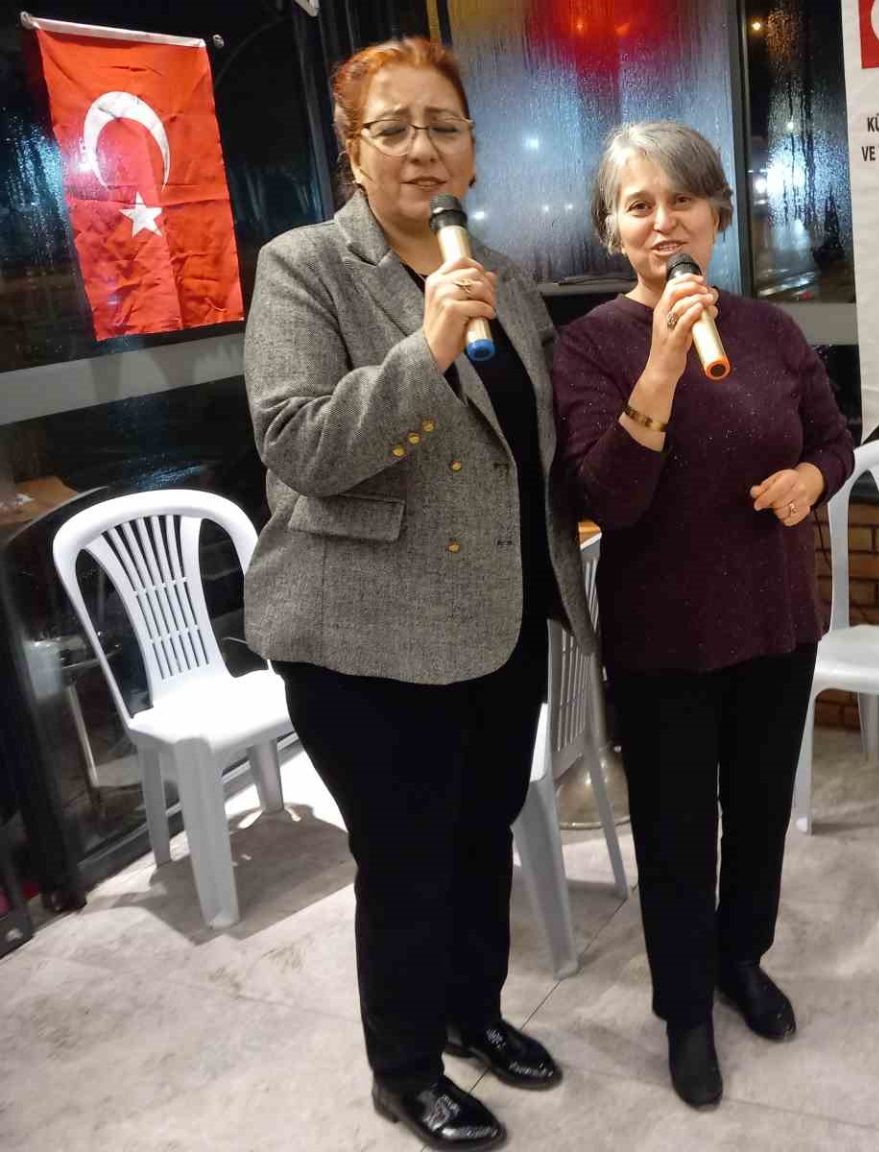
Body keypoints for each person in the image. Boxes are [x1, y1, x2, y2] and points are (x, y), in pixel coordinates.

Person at [243, 37, 592, 1151]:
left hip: (498, 617)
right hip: (363, 634)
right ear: (353, 152)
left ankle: (471, 1013)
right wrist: (429, 343)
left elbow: (534, 445)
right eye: (391, 128)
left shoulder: (506, 277)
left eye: (442, 125)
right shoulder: (305, 266)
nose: (420, 149)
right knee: (405, 860)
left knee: (482, 834)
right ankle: (403, 1072)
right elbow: (299, 444)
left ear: (473, 151)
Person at [553, 121, 854, 1110]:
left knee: (760, 813)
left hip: (775, 619)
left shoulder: (771, 331)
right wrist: (663, 364)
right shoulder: (589, 347)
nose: (664, 221)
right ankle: (684, 1010)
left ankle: (742, 960)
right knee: (678, 833)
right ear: (612, 230)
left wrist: (811, 478)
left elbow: (833, 440)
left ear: (717, 213)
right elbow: (608, 496)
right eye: (638, 205)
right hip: (664, 639)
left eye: (682, 199)